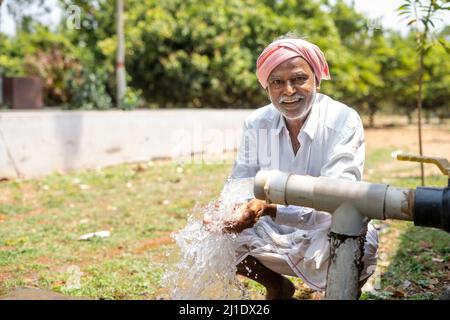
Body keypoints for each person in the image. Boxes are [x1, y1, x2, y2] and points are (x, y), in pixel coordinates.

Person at [221, 34, 378, 299]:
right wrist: (234, 208)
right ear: (266, 87)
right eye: (277, 82)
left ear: (316, 79)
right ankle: (277, 286)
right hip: (270, 225)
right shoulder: (257, 122)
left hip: (324, 225)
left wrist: (271, 208)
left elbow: (338, 198)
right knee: (217, 229)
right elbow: (241, 181)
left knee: (361, 243)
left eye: (299, 79)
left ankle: (338, 292)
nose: (289, 91)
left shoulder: (343, 120)